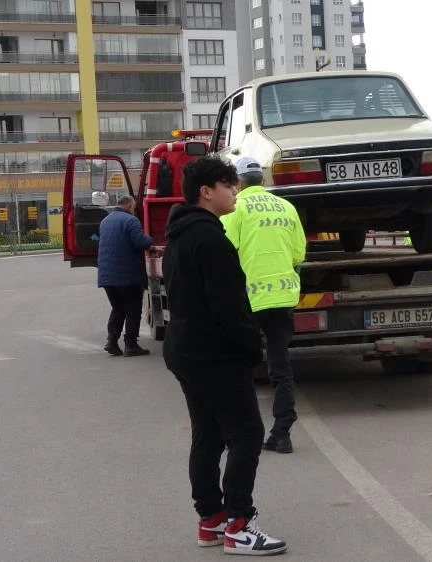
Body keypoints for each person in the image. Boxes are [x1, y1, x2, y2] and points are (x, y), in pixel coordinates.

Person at [162, 156, 287, 556]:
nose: (234, 192)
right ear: (206, 191)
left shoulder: (180, 235)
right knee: (247, 433)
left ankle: (210, 520)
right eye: (228, 186)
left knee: (208, 435)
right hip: (215, 353)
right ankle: (238, 524)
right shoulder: (211, 240)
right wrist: (251, 349)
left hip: (185, 350)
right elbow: (230, 307)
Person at [221, 156, 306, 455]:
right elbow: (298, 254)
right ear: (263, 179)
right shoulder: (286, 207)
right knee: (280, 367)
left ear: (239, 183)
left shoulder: (236, 207)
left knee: (239, 367)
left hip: (249, 299)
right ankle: (282, 433)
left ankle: (240, 434)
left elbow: (225, 249)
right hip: (283, 297)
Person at [96, 194, 153, 357]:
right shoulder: (130, 220)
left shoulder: (105, 221)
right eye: (133, 207)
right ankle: (131, 345)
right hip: (127, 275)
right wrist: (150, 240)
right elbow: (140, 242)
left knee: (118, 308)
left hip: (107, 276)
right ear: (129, 206)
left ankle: (112, 341)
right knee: (133, 309)